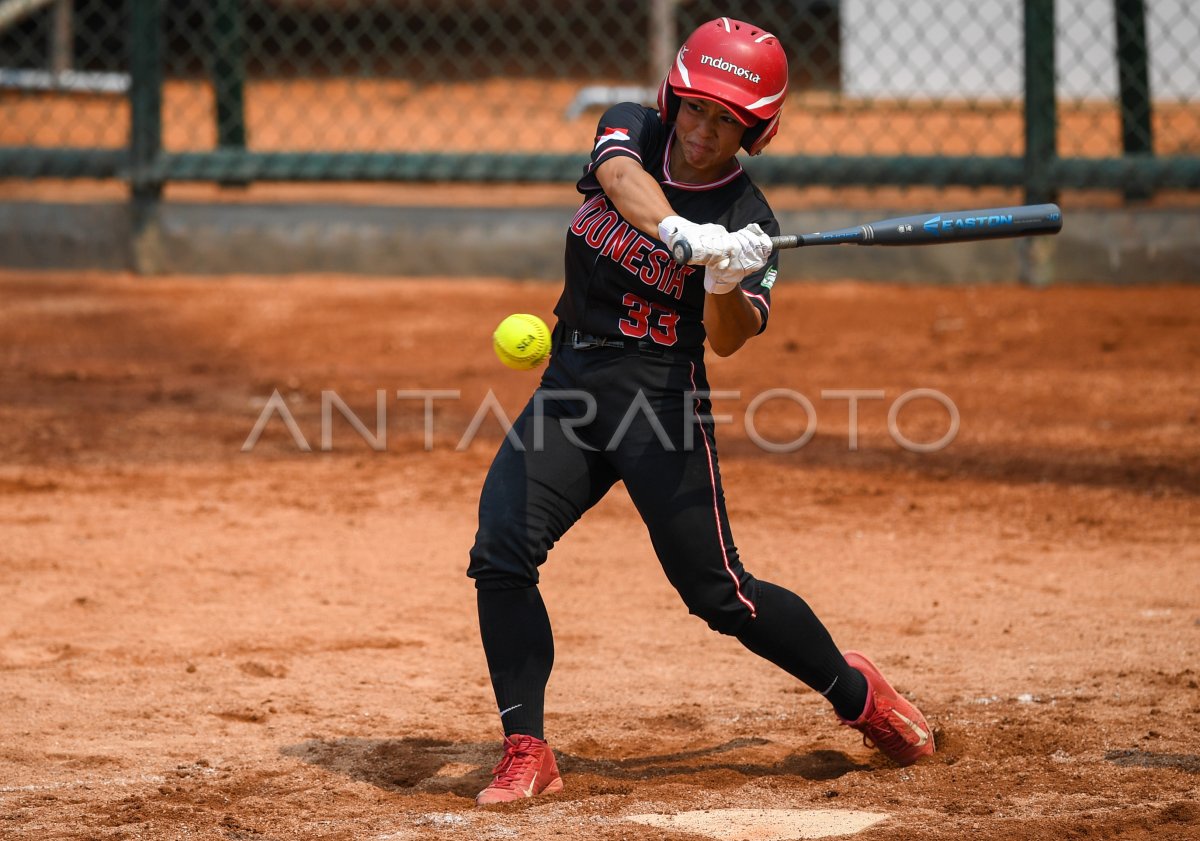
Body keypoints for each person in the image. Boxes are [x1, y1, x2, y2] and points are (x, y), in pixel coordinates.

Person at [467, 16, 934, 805]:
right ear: (671, 98)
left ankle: (858, 695)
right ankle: (527, 746)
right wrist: (684, 233)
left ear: (756, 132)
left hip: (659, 401)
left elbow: (730, 339)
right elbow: (621, 180)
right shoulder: (632, 131)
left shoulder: (753, 218)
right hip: (573, 381)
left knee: (721, 595)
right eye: (696, 108)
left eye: (729, 121)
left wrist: (724, 277)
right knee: (500, 550)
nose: (703, 132)